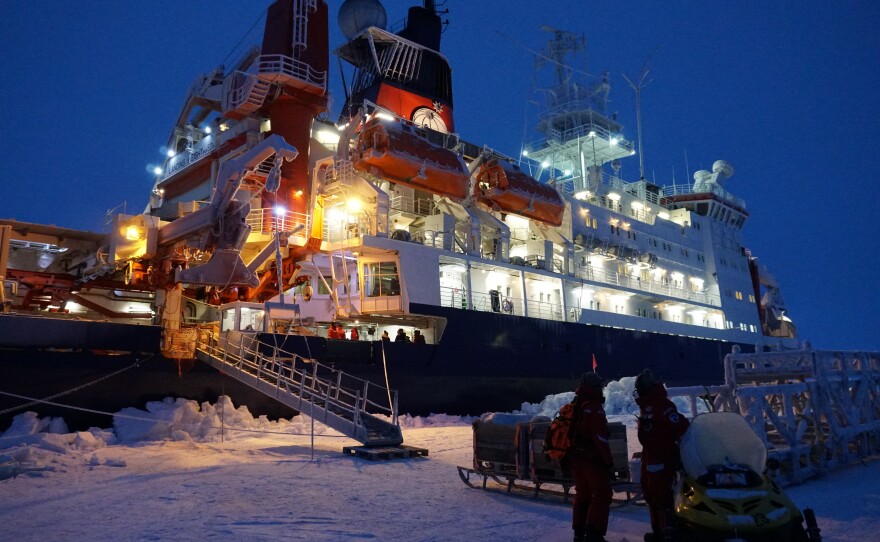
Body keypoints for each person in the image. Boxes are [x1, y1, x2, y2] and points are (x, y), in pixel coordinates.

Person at [634, 369, 690, 542]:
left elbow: (679, 424)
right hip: (650, 456)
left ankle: (668, 532)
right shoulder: (649, 404)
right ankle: (658, 531)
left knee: (661, 496)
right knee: (650, 494)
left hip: (661, 457)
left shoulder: (661, 405)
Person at [564, 372, 614, 542]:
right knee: (602, 494)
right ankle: (594, 535)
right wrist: (608, 462)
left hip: (575, 459)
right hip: (591, 461)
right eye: (599, 386)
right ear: (595, 388)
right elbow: (600, 438)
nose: (602, 389)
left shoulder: (576, 404)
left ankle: (579, 533)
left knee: (583, 494)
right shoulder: (594, 408)